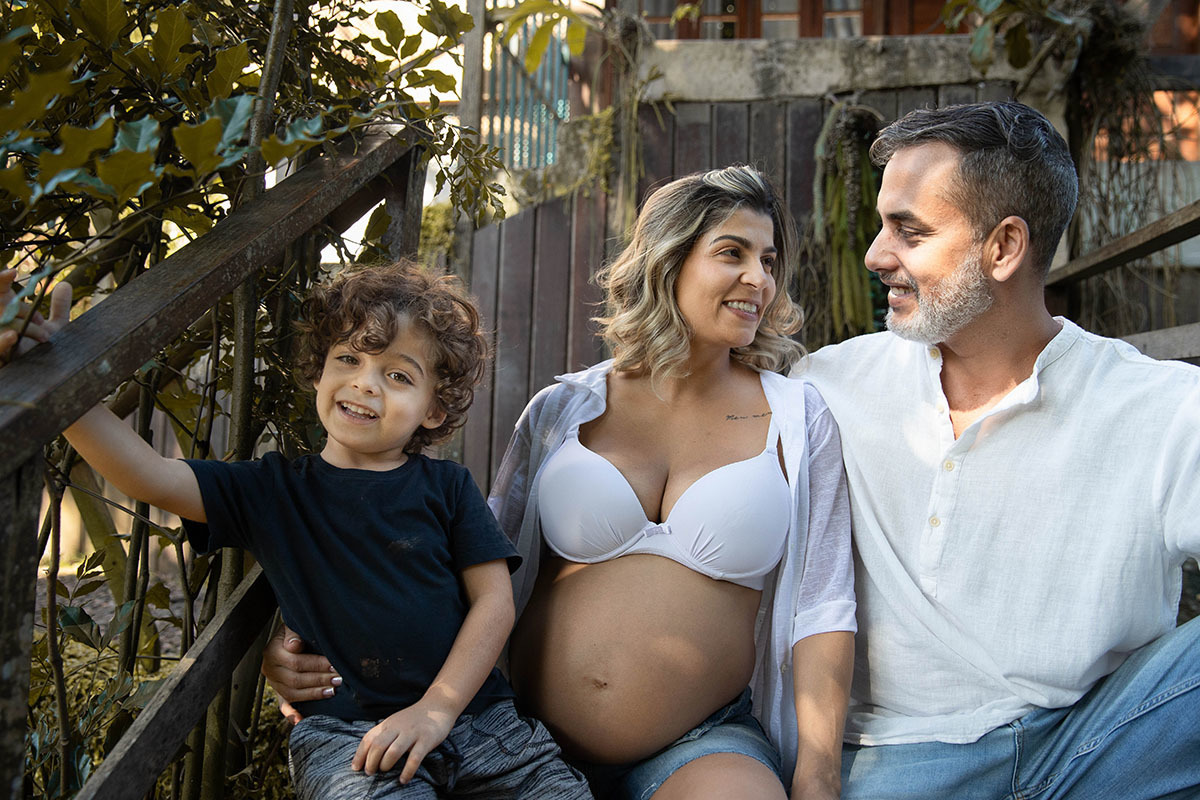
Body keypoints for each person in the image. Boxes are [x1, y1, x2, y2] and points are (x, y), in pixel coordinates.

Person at [264, 166, 857, 800]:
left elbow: (823, 605)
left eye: (769, 261)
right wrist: (312, 650)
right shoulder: (562, 410)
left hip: (700, 744)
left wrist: (817, 776)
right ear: (667, 260)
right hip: (514, 744)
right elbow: (455, 574)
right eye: (732, 253)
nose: (758, 278)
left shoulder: (797, 419)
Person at [13, 261, 591, 799]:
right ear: (319, 373)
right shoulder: (272, 491)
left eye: (397, 374)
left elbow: (494, 604)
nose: (365, 383)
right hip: (348, 739)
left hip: (479, 721)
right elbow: (148, 475)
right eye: (349, 359)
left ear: (433, 409)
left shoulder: (449, 488)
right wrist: (62, 383)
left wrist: (437, 709)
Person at [798, 101, 1200, 798]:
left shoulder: (1163, 407)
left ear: (1004, 247)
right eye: (882, 226)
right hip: (898, 762)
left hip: (1095, 744)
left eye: (909, 231)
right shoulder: (826, 388)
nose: (875, 255)